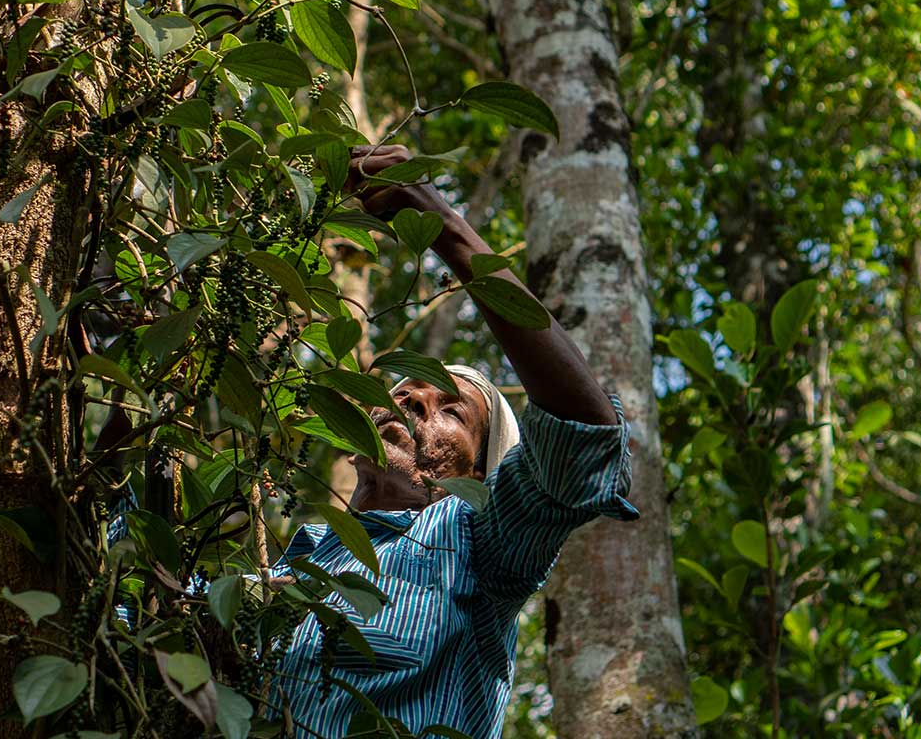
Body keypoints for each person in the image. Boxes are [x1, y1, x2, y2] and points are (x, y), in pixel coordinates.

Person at [260, 145, 639, 739]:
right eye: (406, 391)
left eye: (452, 411)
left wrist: (442, 223)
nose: (413, 402)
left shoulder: (474, 543)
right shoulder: (289, 562)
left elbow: (584, 434)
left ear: (480, 475)